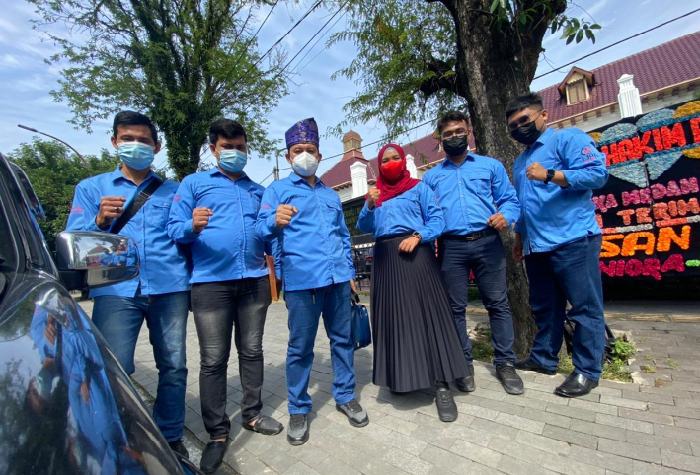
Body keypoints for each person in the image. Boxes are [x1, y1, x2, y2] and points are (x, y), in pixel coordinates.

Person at [66, 110, 191, 457]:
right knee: (115, 366)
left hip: (170, 288)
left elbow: (184, 237)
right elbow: (76, 243)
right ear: (114, 142)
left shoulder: (175, 191)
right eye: (128, 139)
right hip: (116, 291)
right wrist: (99, 220)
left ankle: (169, 436)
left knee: (174, 365)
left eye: (143, 140)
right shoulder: (92, 189)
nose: (136, 145)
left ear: (157, 146)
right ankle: (118, 437)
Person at [167, 119, 282, 473]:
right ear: (214, 149)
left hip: (254, 282)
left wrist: (279, 263)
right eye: (228, 146)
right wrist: (192, 225)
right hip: (210, 284)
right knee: (214, 359)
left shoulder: (257, 191)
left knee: (252, 351)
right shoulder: (194, 184)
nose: (235, 152)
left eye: (241, 147)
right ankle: (217, 434)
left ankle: (252, 415)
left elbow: (269, 236)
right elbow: (173, 229)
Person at [256, 117, 368, 446]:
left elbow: (343, 236)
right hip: (302, 282)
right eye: (298, 150)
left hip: (336, 281)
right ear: (289, 156)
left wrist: (348, 274)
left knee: (342, 341)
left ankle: (346, 395)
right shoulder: (276, 190)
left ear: (320, 154)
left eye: (311, 150)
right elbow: (262, 233)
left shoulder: (330, 195)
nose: (305, 154)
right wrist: (274, 222)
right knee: (300, 348)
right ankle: (299, 408)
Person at [356, 143, 470, 422]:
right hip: (384, 259)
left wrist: (419, 236)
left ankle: (442, 385)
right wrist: (369, 205)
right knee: (394, 319)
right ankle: (400, 378)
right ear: (379, 165)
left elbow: (437, 220)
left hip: (415, 253)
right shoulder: (376, 193)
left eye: (396, 157)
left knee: (429, 316)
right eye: (386, 160)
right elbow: (363, 226)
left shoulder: (419, 188)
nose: (391, 162)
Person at [505, 93, 608, 398]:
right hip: (537, 248)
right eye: (513, 125)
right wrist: (520, 238)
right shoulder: (520, 162)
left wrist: (550, 174)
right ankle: (544, 358)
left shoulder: (568, 139)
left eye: (525, 120)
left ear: (543, 116)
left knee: (584, 307)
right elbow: (524, 205)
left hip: (573, 239)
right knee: (545, 308)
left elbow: (597, 174)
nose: (520, 128)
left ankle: (587, 371)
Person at [423, 111, 524, 395]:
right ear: (440, 140)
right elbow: (426, 215)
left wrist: (506, 216)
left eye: (459, 131)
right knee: (455, 309)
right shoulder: (431, 178)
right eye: (448, 134)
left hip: (488, 241)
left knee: (497, 304)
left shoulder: (490, 166)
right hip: (451, 246)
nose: (454, 136)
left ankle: (505, 364)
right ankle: (462, 364)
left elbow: (509, 199)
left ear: (468, 132)